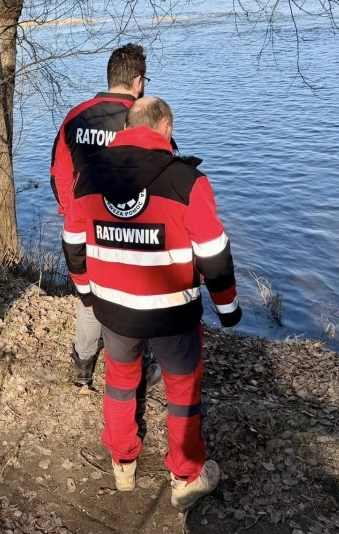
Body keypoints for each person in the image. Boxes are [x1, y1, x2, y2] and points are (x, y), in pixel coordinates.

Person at [62, 97, 241, 511]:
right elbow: (214, 255)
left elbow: (73, 244)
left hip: (114, 310)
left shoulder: (88, 176)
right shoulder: (187, 181)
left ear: (128, 127)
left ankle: (122, 465)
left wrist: (87, 292)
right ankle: (185, 477)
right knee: (182, 393)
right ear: (166, 128)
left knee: (120, 384)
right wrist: (227, 308)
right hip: (173, 312)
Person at [50, 43, 162, 389]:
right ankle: (140, 363)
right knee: (136, 298)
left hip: (85, 225)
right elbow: (164, 176)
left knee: (89, 297)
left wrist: (72, 212)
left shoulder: (76, 116)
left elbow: (59, 172)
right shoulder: (144, 118)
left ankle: (83, 365)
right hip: (133, 225)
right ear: (138, 81)